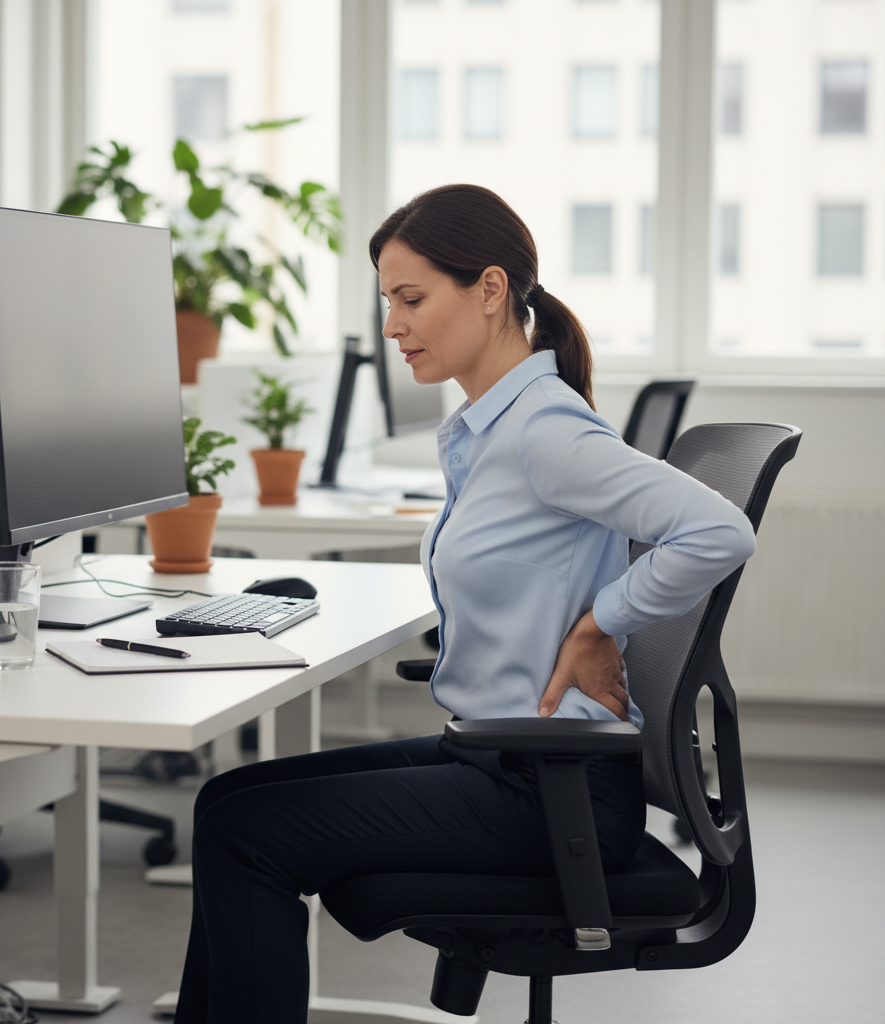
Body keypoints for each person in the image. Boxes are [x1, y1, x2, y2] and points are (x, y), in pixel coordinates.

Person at [172, 185, 756, 1024]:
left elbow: (718, 529)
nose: (392, 326)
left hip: (554, 790)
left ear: (489, 290)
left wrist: (604, 620)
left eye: (411, 299)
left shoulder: (544, 431)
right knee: (224, 802)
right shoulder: (490, 430)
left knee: (246, 836)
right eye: (388, 301)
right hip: (499, 758)